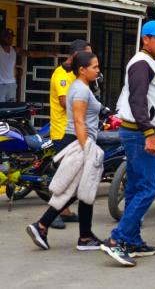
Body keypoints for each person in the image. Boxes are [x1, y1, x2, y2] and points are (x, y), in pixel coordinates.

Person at [100, 21, 155, 267]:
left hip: (137, 132)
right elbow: (137, 99)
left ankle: (132, 240)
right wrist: (149, 134)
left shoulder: (151, 62)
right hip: (139, 133)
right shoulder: (141, 63)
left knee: (134, 187)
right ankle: (118, 239)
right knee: (149, 188)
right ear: (146, 39)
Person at [26, 51, 103, 251]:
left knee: (81, 189)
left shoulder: (80, 86)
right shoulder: (81, 90)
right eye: (94, 67)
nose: (98, 70)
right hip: (79, 141)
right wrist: (87, 148)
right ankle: (44, 226)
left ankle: (83, 236)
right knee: (79, 189)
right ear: (82, 70)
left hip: (78, 140)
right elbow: (78, 121)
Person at [48, 39, 92, 229]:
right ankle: (53, 214)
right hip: (62, 130)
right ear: (76, 55)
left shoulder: (76, 74)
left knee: (72, 175)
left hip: (74, 129)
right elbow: (65, 102)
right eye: (87, 54)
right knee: (64, 175)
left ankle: (64, 211)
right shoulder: (61, 74)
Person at [0, 28, 49, 102]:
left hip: (12, 84)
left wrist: (48, 53)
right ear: (2, 37)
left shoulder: (14, 50)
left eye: (11, 37)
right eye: (7, 37)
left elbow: (31, 54)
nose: (10, 39)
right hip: (1, 85)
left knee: (11, 106)